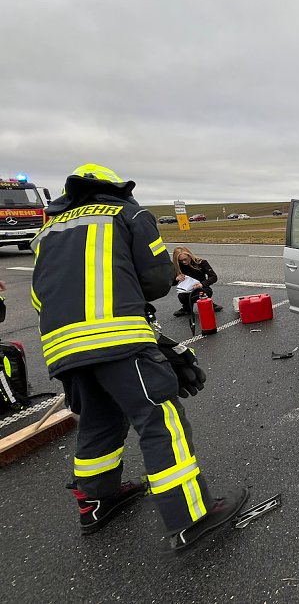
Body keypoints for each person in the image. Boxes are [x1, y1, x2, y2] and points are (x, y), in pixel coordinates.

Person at [30, 164, 247, 552]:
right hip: (119, 340)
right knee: (160, 419)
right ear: (115, 188)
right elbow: (158, 278)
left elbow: (38, 296)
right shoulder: (127, 214)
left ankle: (96, 501)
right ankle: (191, 515)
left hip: (61, 346)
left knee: (99, 419)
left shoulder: (48, 230)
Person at [171, 247, 223, 316]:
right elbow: (172, 283)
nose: (184, 262)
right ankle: (187, 308)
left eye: (185, 259)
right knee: (182, 296)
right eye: (181, 260)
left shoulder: (201, 262)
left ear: (189, 255)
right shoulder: (178, 266)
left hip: (202, 288)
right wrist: (176, 279)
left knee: (201, 293)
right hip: (187, 290)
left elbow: (214, 277)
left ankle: (209, 304)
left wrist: (202, 284)